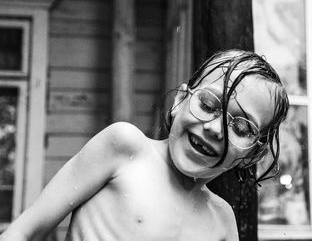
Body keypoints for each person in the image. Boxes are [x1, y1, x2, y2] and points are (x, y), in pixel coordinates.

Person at [0, 49, 289, 241]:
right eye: (208, 103)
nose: (215, 129)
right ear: (179, 101)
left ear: (252, 154)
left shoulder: (222, 222)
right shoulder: (125, 149)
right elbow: (24, 232)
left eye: (240, 127)